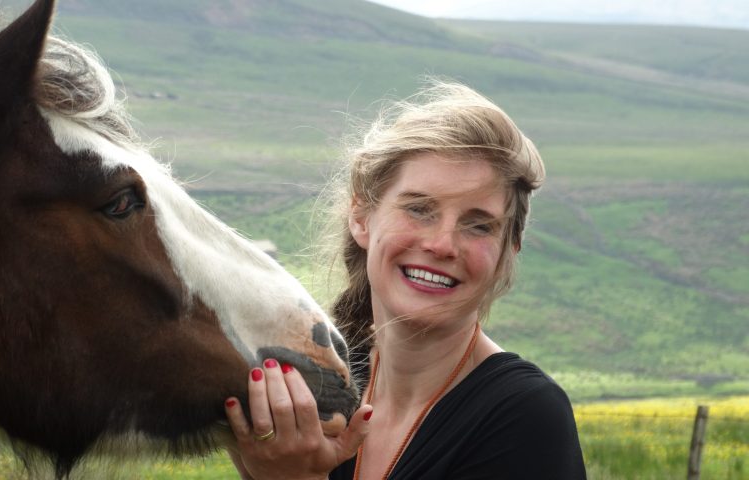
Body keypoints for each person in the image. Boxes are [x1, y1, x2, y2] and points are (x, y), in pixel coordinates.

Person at [224, 80, 587, 479]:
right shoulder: (321, 390)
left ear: (508, 250)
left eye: (479, 225)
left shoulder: (526, 418)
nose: (443, 244)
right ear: (361, 217)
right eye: (419, 209)